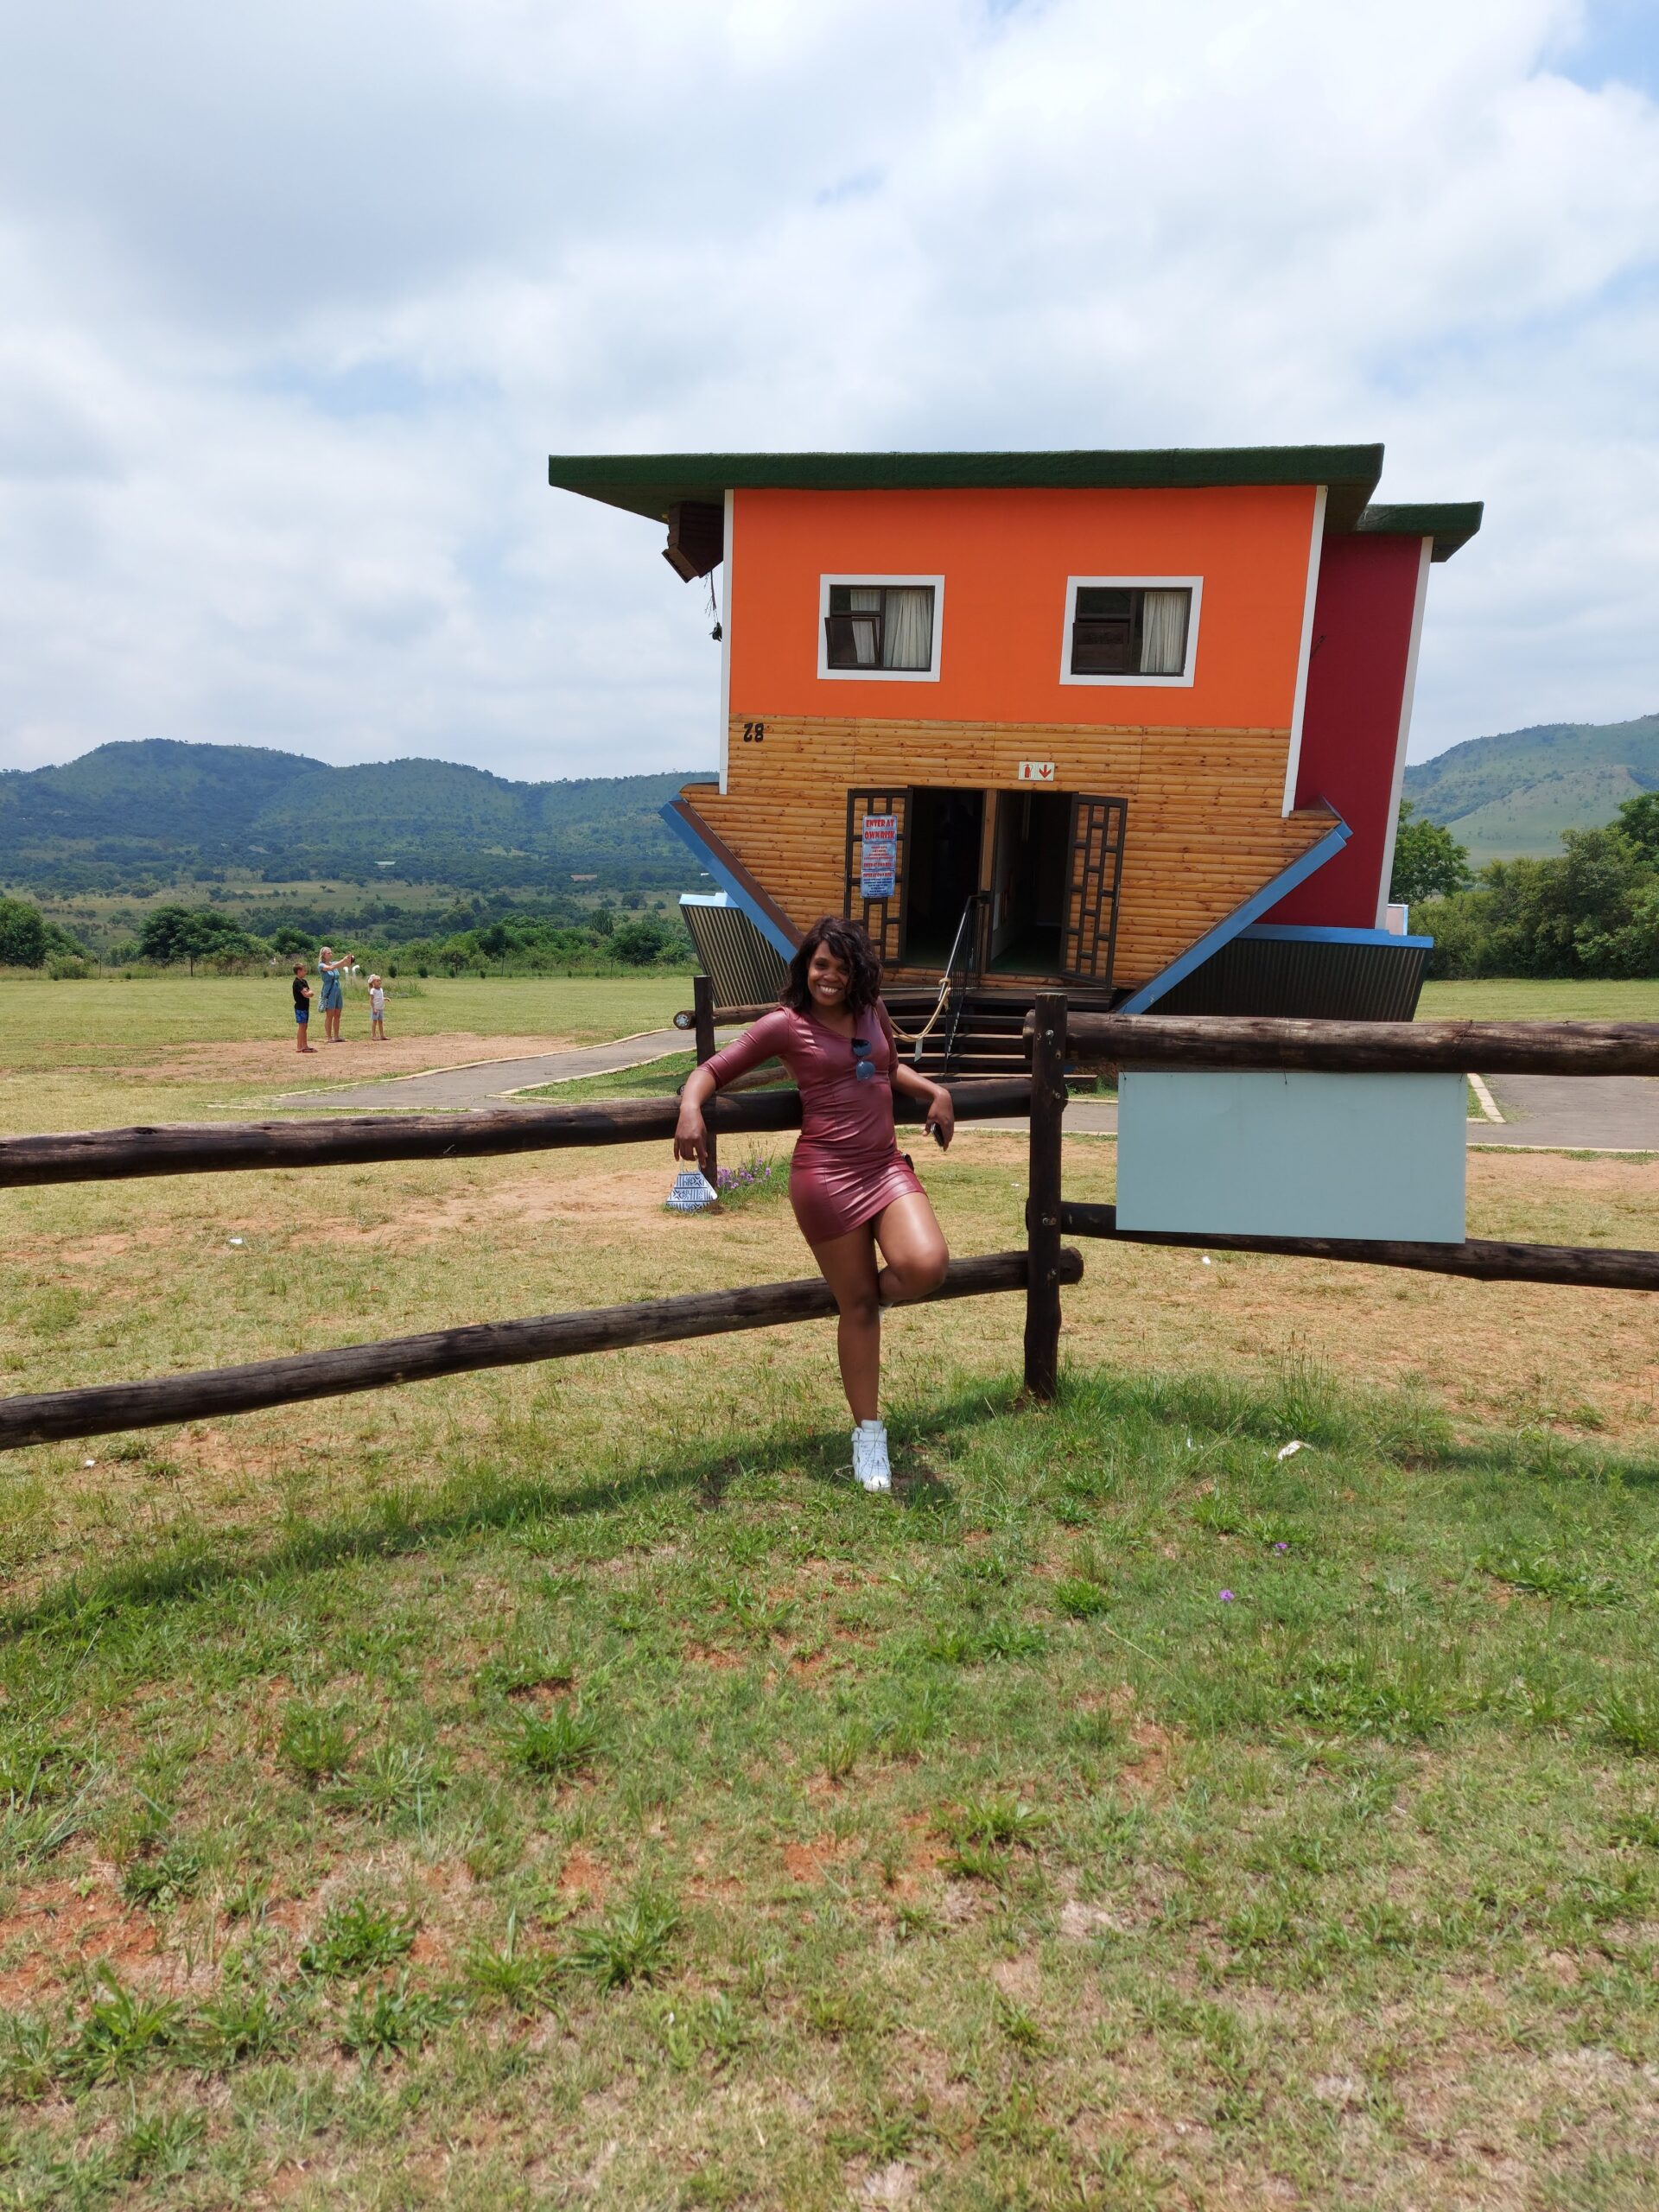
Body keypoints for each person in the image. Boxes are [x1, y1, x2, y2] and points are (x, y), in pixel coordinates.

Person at [674, 915, 954, 1494]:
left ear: (859, 973)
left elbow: (886, 1064)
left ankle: (861, 1300)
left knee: (926, 1266)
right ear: (806, 966)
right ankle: (868, 1435)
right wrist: (691, 1108)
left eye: (842, 967)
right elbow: (712, 1070)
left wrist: (935, 1091)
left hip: (883, 1166)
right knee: (859, 1311)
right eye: (821, 964)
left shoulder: (870, 1009)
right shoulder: (785, 1024)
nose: (830, 976)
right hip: (825, 1178)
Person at [318, 944, 350, 1043]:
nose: (331, 954)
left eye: (331, 952)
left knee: (338, 1014)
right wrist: (342, 960)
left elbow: (345, 964)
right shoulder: (321, 965)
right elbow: (331, 968)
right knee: (330, 1014)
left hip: (337, 989)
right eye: (329, 953)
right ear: (323, 955)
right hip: (329, 990)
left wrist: (349, 959)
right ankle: (329, 1037)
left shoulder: (333, 963)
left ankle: (336, 1036)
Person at [291, 962, 315, 1052]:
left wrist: (309, 993)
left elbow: (310, 992)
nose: (306, 972)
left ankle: (305, 1045)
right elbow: (306, 994)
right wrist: (309, 993)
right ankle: (299, 1046)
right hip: (300, 1007)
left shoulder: (304, 982)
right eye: (304, 970)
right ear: (299, 971)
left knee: (305, 1026)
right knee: (301, 1026)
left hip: (305, 1007)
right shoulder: (297, 983)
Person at [368, 973, 386, 1041]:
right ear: (373, 982)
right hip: (375, 1009)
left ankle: (382, 1035)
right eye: (377, 981)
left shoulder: (381, 989)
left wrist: (385, 998)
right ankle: (374, 1035)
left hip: (381, 1008)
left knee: (381, 1022)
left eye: (380, 980)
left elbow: (380, 998)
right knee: (375, 1022)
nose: (379, 982)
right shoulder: (373, 990)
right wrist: (374, 1009)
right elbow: (371, 1000)